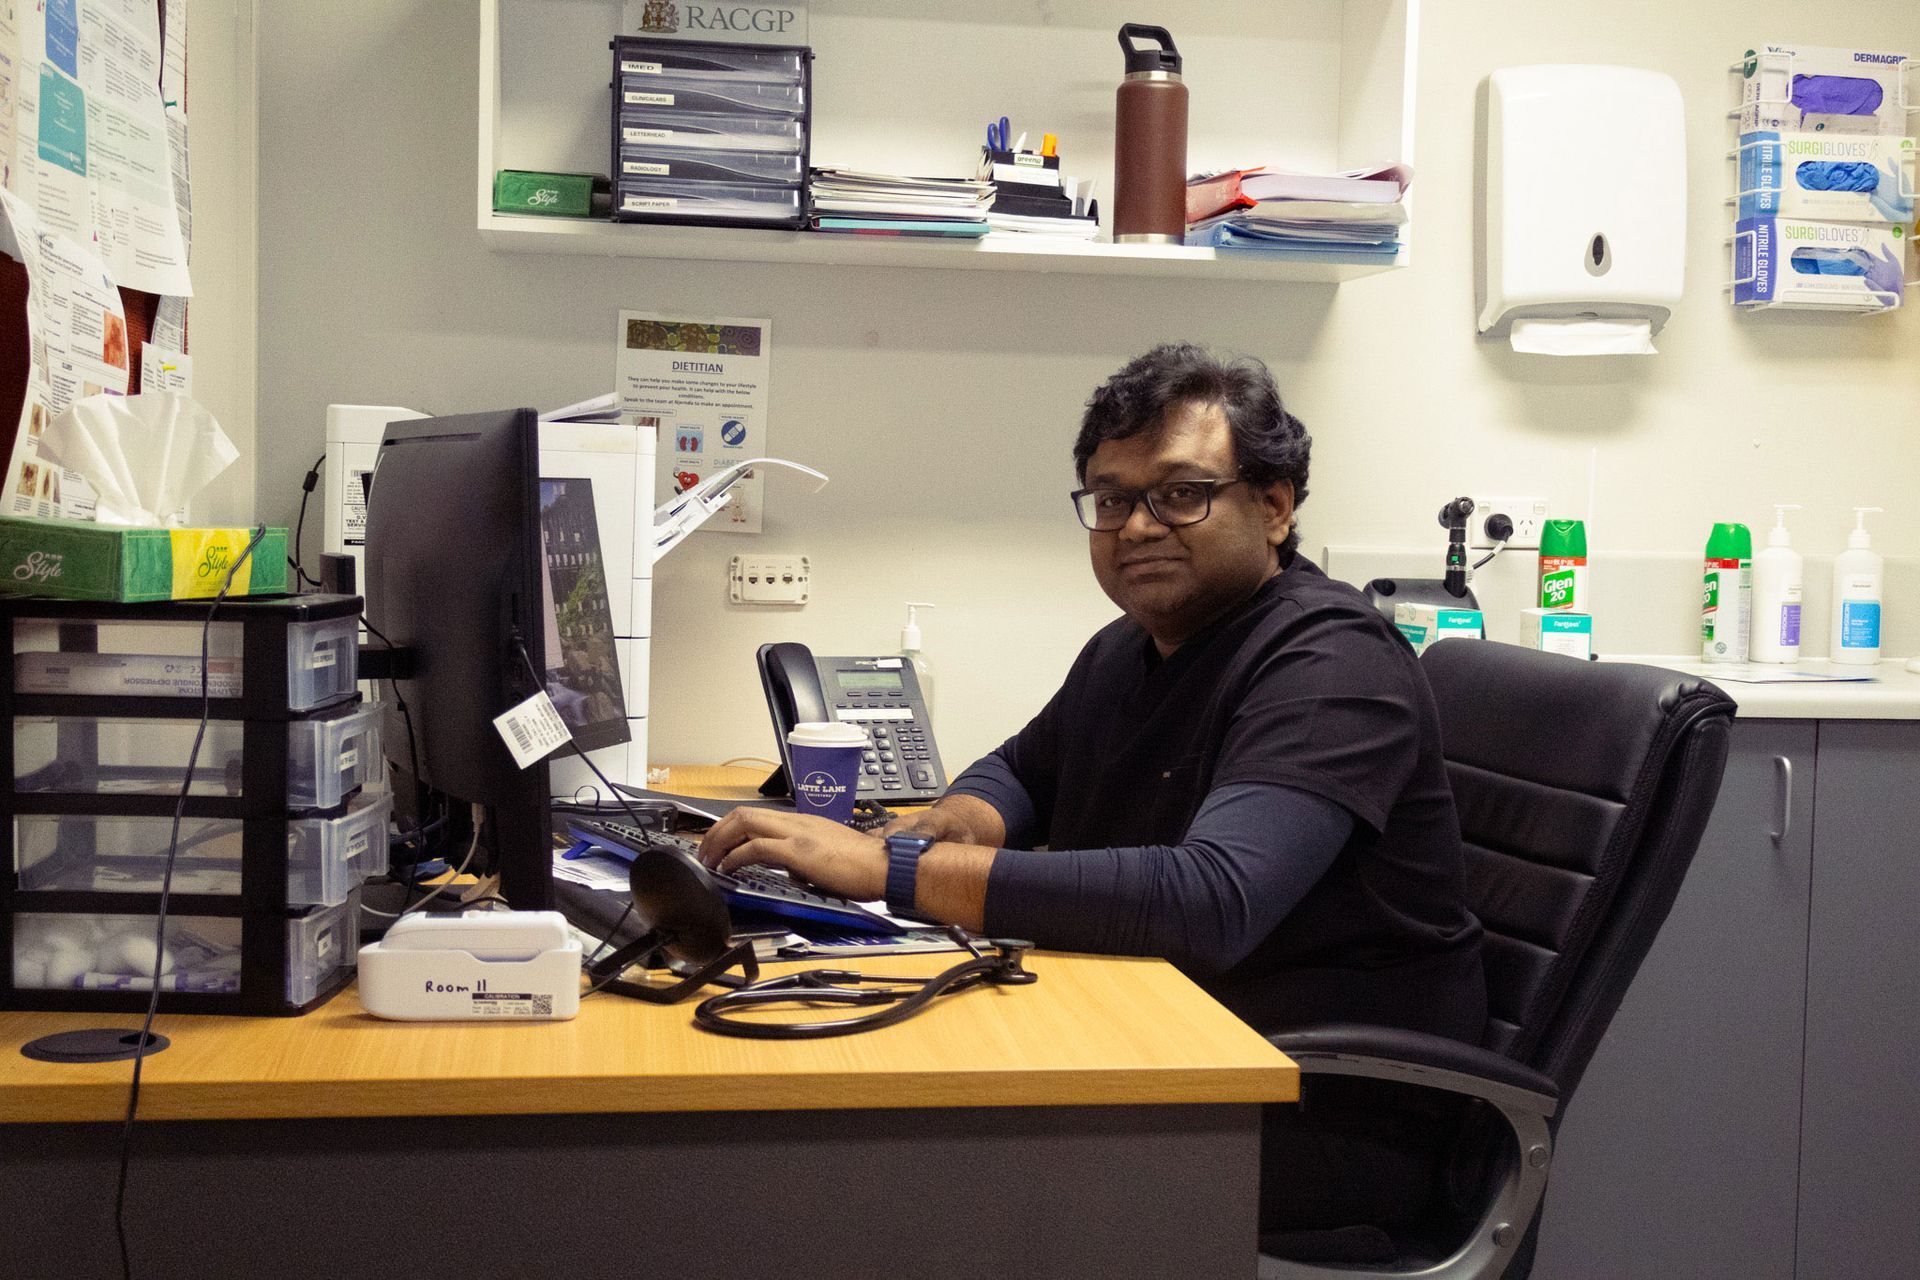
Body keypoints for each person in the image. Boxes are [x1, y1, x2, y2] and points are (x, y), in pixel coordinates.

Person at [698, 344, 1488, 1253]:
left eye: (1180, 492)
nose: (1138, 527)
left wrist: (891, 866)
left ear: (1274, 507)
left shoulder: (1331, 664)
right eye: (1112, 500)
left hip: (1315, 1106)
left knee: (872, 1162)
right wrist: (960, 818)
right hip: (1169, 1047)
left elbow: (1211, 901)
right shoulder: (1134, 644)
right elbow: (1022, 770)